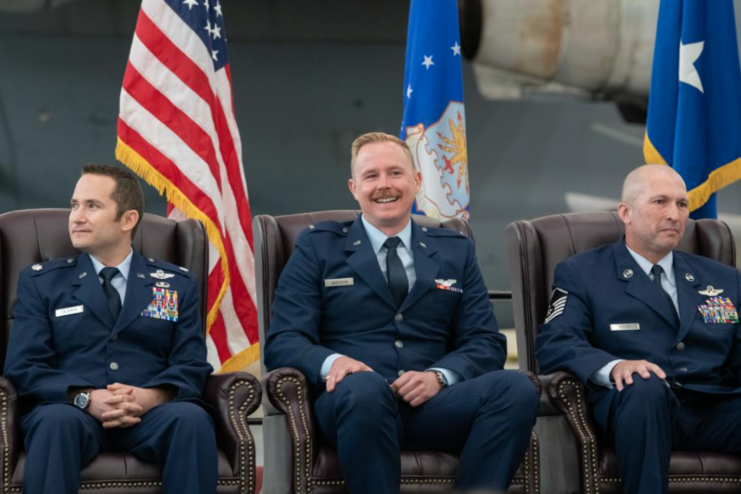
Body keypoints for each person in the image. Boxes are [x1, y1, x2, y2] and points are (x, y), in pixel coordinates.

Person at [265, 132, 539, 494]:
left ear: (417, 181)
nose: (384, 185)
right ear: (354, 187)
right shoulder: (319, 247)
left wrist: (439, 377)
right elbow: (283, 340)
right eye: (371, 175)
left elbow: (485, 341)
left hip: (432, 404)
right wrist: (334, 363)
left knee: (517, 386)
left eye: (395, 173)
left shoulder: (454, 250)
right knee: (363, 389)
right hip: (353, 404)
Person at [4, 164, 216, 494]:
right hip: (70, 412)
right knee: (53, 423)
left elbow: (190, 364)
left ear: (128, 220)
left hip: (150, 414)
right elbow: (24, 366)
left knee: (191, 420)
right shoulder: (41, 283)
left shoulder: (176, 284)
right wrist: (85, 398)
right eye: (75, 205)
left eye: (92, 206)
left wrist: (150, 397)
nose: (76, 217)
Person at [537, 164, 741, 494]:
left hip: (711, 407)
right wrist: (615, 366)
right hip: (636, 406)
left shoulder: (722, 278)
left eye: (682, 204)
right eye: (660, 202)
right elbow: (554, 342)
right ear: (626, 213)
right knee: (645, 387)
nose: (674, 214)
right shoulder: (583, 272)